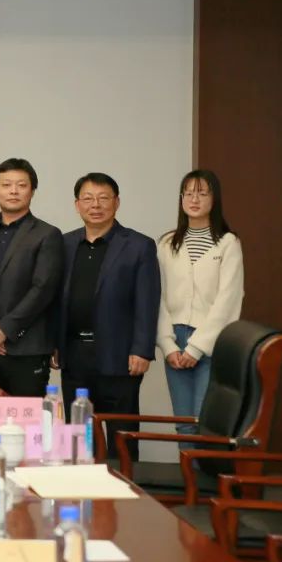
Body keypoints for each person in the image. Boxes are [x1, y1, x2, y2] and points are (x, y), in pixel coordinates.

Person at [56, 172, 160, 459]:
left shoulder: (138, 245)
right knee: (78, 436)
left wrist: (142, 349)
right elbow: (56, 300)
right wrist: (55, 343)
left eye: (103, 198)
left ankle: (123, 485)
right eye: (88, 198)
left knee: (121, 437)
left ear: (117, 203)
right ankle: (81, 485)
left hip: (120, 356)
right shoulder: (64, 244)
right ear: (77, 205)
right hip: (75, 354)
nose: (96, 205)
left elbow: (147, 301)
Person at [157, 170, 243, 437]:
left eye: (202, 193)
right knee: (183, 423)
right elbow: (158, 297)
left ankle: (204, 467)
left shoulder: (228, 243)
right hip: (175, 340)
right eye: (188, 193)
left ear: (214, 199)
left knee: (203, 422)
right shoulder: (167, 243)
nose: (194, 199)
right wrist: (167, 345)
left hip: (212, 343)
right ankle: (187, 468)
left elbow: (228, 299)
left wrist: (196, 348)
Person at [0, 159, 64, 396]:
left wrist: (5, 329)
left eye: (21, 185)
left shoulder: (47, 234)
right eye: (6, 185)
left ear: (32, 191)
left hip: (27, 348)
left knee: (27, 416)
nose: (13, 191)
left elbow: (43, 289)